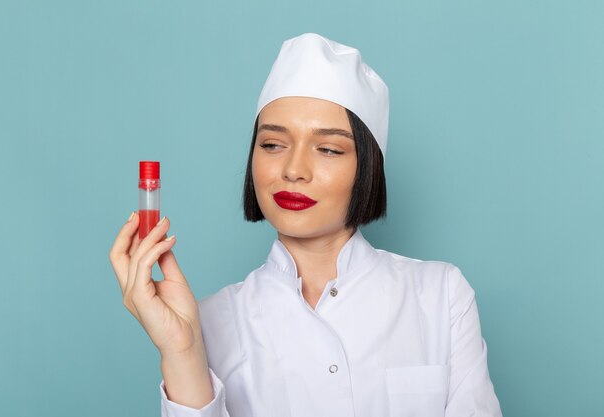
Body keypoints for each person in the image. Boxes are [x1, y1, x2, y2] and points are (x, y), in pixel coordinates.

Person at [109, 33, 503, 417]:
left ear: (367, 168)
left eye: (329, 149)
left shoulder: (440, 296)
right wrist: (182, 351)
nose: (294, 170)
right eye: (272, 145)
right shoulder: (208, 320)